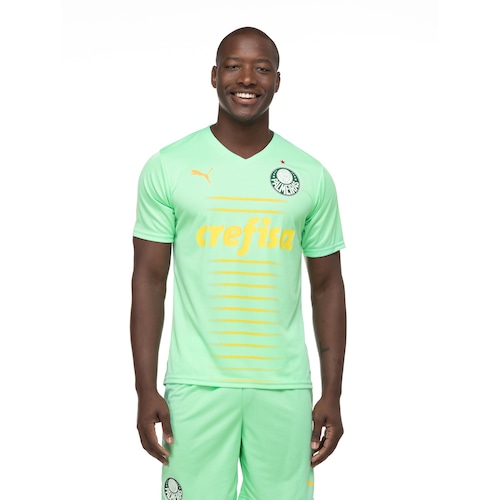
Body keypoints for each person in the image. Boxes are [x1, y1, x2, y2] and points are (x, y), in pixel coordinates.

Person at [130, 26, 346, 500]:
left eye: (261, 68)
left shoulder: (310, 175)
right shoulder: (169, 166)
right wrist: (145, 388)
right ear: (214, 76)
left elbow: (328, 285)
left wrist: (332, 393)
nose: (247, 78)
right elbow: (148, 280)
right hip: (195, 387)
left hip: (284, 388)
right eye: (233, 66)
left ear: (277, 81)